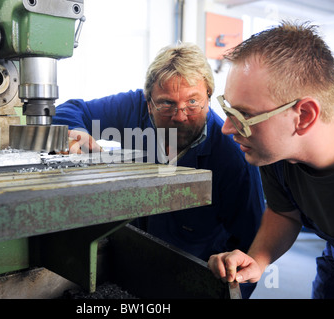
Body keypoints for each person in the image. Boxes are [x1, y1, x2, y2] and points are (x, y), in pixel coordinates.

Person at [52, 42, 265, 298]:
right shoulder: (133, 108)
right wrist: (77, 133)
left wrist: (229, 285)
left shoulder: (233, 160)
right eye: (166, 104)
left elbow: (250, 249)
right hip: (129, 255)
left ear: (209, 97)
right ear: (148, 102)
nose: (180, 116)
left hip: (187, 278)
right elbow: (72, 109)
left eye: (193, 102)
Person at [208, 21, 334, 299]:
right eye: (228, 110)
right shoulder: (274, 150)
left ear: (304, 116)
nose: (227, 128)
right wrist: (257, 260)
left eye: (245, 116)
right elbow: (284, 211)